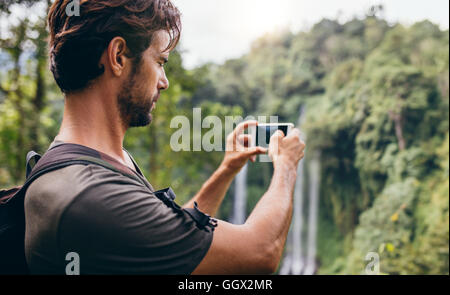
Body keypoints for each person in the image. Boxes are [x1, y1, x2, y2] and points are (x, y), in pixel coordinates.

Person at [24, 0, 306, 274]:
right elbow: (259, 253)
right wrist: (286, 167)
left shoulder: (85, 163)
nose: (164, 81)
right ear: (118, 56)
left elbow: (168, 239)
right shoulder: (92, 195)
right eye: (160, 61)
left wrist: (227, 169)